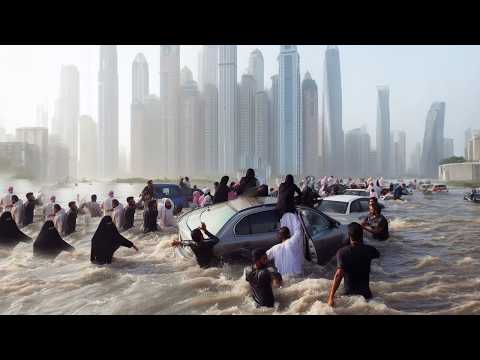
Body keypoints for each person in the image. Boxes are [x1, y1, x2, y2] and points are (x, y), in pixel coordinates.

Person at [327, 223, 380, 307]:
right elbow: (377, 254)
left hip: (349, 297)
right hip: (366, 296)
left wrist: (330, 298)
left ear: (349, 235)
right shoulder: (370, 250)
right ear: (362, 235)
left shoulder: (342, 252)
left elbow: (338, 275)